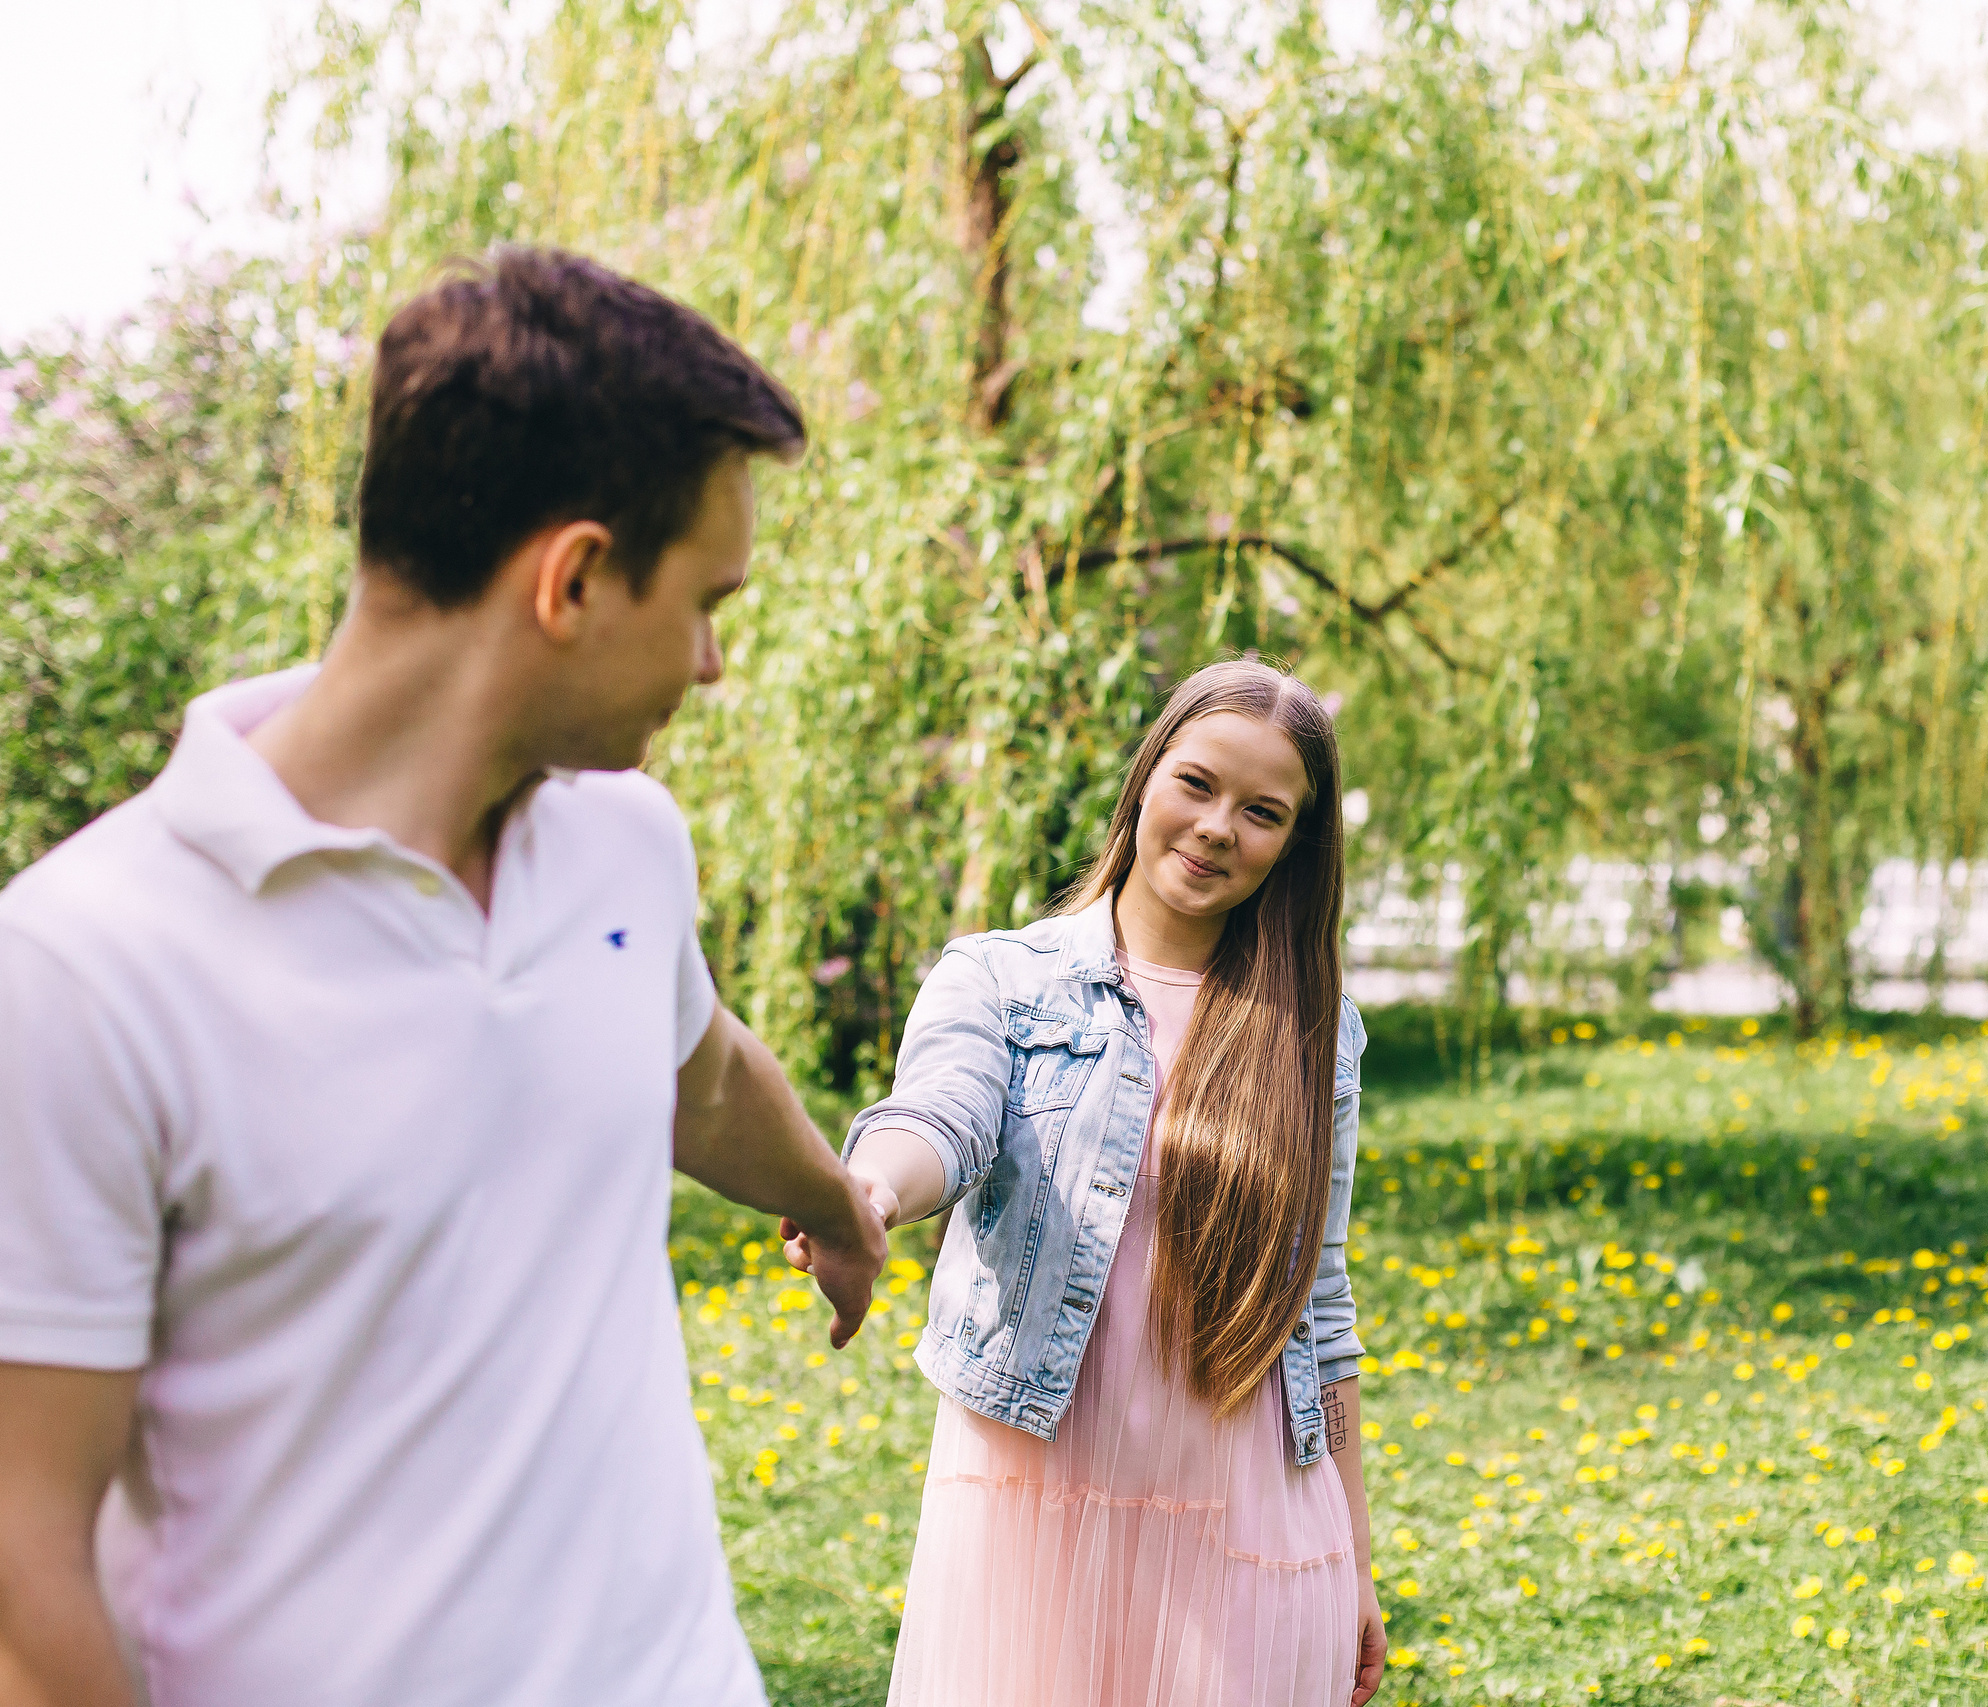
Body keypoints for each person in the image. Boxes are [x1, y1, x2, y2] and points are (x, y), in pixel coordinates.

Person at [0, 248, 888, 1707]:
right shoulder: (85, 971)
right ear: (577, 577)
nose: (717, 662)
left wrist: (826, 1196)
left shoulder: (625, 843)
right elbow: (26, 1585)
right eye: (707, 601)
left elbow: (702, 1070)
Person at [821, 657, 1385, 1706]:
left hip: (1247, 1511)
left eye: (1263, 812)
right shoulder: (999, 978)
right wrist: (870, 1197)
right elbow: (941, 1116)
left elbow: (1323, 1300)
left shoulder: (1314, 1032)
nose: (1219, 827)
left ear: (1294, 848)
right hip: (1036, 1497)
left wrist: (1354, 1550)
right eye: (1198, 784)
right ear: (1146, 782)